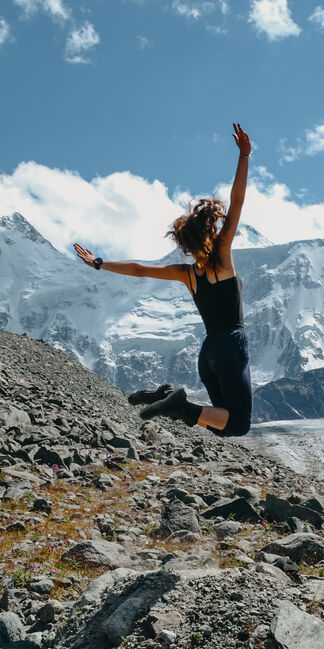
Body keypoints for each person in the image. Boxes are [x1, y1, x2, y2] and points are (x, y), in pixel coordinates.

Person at [72, 123, 253, 437]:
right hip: (229, 345)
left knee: (220, 422)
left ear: (185, 243)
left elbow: (141, 270)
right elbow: (236, 203)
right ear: (211, 231)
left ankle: (166, 394)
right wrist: (245, 157)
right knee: (239, 424)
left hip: (208, 351)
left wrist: (99, 263)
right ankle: (177, 406)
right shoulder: (221, 256)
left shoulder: (187, 274)